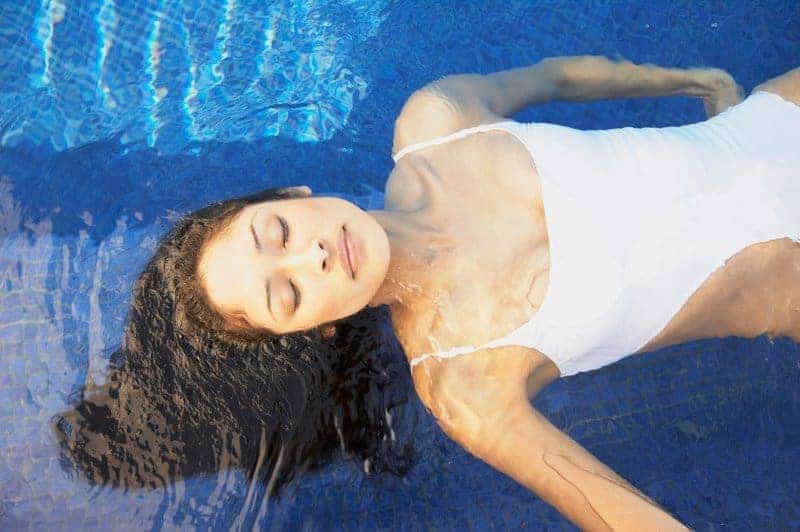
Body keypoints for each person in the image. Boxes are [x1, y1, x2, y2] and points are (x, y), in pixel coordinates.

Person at [55, 56, 800, 530]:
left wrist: (691, 82)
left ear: (290, 192)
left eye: (275, 232)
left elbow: (560, 78)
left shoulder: (437, 122)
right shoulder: (465, 384)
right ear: (312, 331)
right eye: (286, 296)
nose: (310, 256)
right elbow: (617, 514)